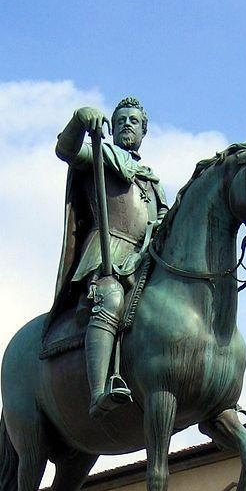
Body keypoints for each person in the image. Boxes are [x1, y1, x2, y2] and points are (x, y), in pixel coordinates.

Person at [49, 97, 169, 419]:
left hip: (144, 257)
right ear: (112, 129)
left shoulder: (151, 181)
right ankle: (99, 390)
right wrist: (78, 120)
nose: (127, 124)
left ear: (144, 131)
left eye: (134, 120)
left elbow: (165, 221)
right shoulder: (99, 156)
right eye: (121, 120)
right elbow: (67, 150)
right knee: (111, 297)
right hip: (107, 253)